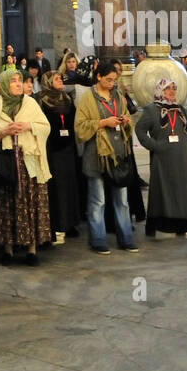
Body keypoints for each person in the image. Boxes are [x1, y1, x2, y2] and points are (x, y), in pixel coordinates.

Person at [0, 68, 52, 265]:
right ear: (4, 84)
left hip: (29, 159)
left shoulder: (30, 103)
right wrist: (3, 132)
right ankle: (8, 248)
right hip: (6, 161)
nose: (18, 84)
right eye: (13, 81)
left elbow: (46, 127)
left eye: (19, 80)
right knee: (7, 202)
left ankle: (31, 248)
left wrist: (29, 126)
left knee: (31, 201)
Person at [74, 60, 137, 255]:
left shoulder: (117, 96)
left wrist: (126, 121)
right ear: (98, 77)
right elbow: (80, 128)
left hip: (118, 154)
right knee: (98, 200)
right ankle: (98, 239)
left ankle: (126, 238)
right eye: (108, 80)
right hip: (96, 156)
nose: (112, 84)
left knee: (122, 200)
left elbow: (128, 116)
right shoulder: (87, 98)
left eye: (114, 80)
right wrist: (102, 123)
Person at [135, 78, 187, 239]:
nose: (172, 91)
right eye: (167, 89)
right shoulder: (152, 110)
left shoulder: (181, 110)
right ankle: (155, 224)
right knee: (161, 190)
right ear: (160, 90)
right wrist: (155, 146)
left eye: (174, 88)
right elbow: (140, 130)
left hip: (184, 157)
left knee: (183, 190)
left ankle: (183, 224)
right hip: (163, 158)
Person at [38, 71, 80, 244]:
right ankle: (59, 224)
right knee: (57, 189)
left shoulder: (68, 100)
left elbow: (74, 121)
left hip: (68, 148)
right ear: (48, 82)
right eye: (56, 79)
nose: (60, 81)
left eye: (60, 78)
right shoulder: (42, 101)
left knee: (71, 186)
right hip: (53, 150)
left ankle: (71, 223)